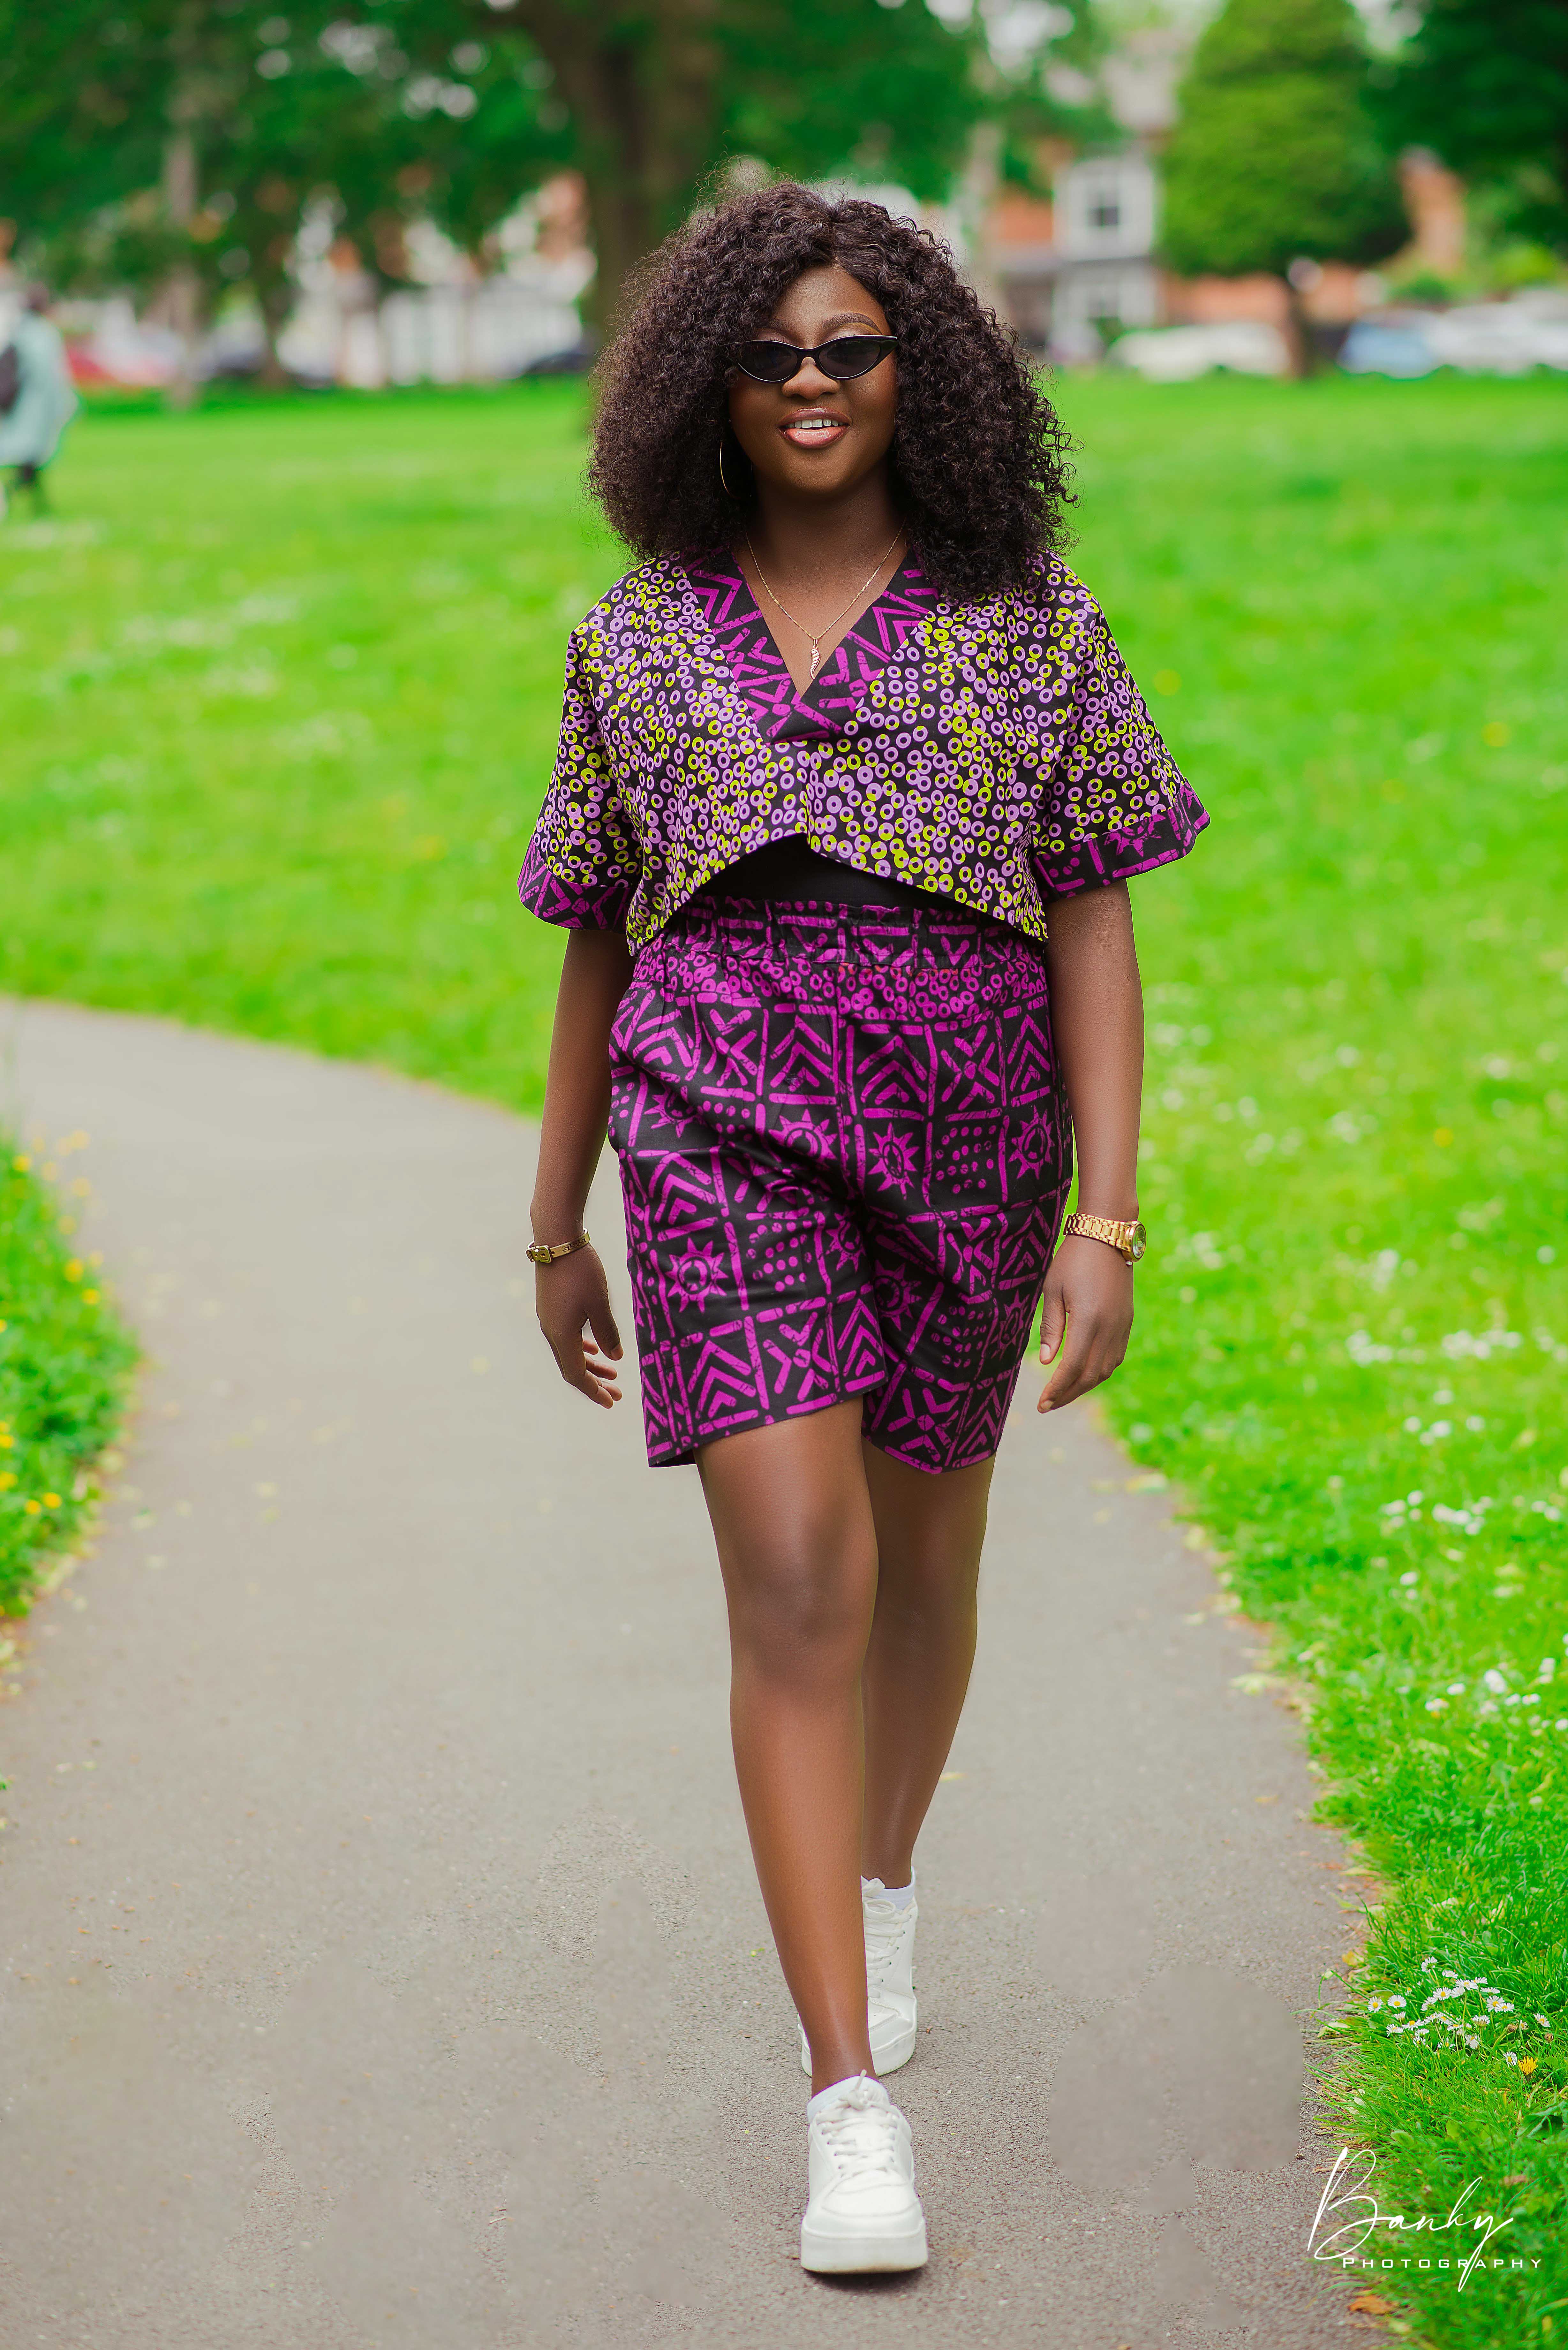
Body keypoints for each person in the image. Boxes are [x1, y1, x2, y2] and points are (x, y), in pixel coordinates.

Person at [518, 183, 1207, 2276]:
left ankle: (878, 1876)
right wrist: (553, 1218)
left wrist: (1106, 1211)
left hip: (969, 1135)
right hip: (713, 1115)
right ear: (704, 389)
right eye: (767, 356)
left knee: (923, 1552)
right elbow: (595, 929)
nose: (808, 386)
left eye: (847, 350)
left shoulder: (1031, 622)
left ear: (919, 371)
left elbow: (1091, 910)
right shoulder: (636, 634)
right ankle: (846, 2103)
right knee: (798, 1576)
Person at [0, 284, 78, 518]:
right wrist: (66, 403)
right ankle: (18, 500)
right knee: (31, 459)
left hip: (19, 408)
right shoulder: (44, 334)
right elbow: (52, 376)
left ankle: (37, 506)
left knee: (29, 462)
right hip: (36, 409)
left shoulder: (20, 331)